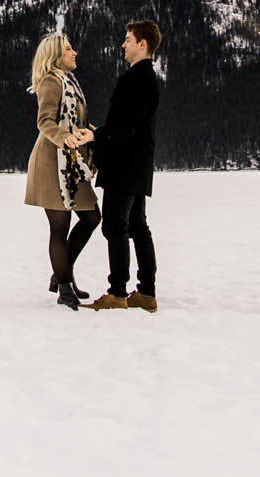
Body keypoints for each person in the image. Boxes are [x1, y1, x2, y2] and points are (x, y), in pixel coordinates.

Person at [73, 19, 161, 312]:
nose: (123, 44)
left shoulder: (137, 80)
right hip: (139, 162)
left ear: (142, 44)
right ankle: (146, 292)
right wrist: (100, 134)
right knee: (137, 225)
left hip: (124, 164)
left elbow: (127, 128)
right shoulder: (147, 79)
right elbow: (130, 126)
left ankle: (118, 293)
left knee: (115, 225)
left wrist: (96, 135)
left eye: (128, 39)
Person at [23, 31, 99, 310]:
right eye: (69, 49)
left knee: (92, 217)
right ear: (56, 55)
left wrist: (95, 134)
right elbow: (44, 122)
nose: (74, 52)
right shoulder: (51, 82)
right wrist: (65, 137)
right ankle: (65, 286)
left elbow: (80, 121)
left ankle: (61, 273)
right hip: (51, 163)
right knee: (59, 227)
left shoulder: (71, 82)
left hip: (72, 165)